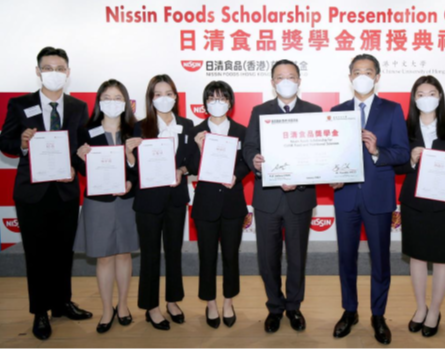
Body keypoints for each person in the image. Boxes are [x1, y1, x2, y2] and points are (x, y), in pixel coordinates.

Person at [0, 46, 92, 340]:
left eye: (60, 68)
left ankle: (62, 303)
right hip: (32, 193)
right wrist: (23, 144)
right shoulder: (19, 103)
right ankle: (40, 311)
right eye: (48, 68)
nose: (55, 73)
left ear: (68, 72)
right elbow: (6, 142)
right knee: (37, 254)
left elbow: (79, 150)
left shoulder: (78, 107)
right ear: (38, 71)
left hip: (65, 190)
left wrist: (84, 162)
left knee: (63, 252)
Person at [329, 54, 410, 345]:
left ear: (377, 77)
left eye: (368, 71)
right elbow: (330, 156)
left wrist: (377, 151)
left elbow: (402, 153)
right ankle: (349, 311)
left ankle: (378, 315)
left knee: (380, 261)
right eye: (357, 71)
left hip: (378, 197)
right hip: (346, 196)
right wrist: (330, 173)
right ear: (350, 76)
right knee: (346, 260)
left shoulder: (392, 109)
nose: (362, 76)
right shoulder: (336, 111)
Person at [242, 59, 321, 333]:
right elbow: (249, 146)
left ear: (299, 80)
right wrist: (256, 161)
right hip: (267, 198)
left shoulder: (314, 111)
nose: (285, 80)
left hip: (299, 197)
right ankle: (275, 307)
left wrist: (299, 177)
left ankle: (294, 307)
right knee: (268, 257)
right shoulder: (259, 110)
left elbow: (317, 154)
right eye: (280, 76)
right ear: (273, 82)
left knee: (297, 257)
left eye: (291, 76)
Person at [395, 75, 445, 338]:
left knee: (441, 258)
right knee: (416, 256)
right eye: (420, 93)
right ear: (414, 99)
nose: (426, 98)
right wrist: (411, 160)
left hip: (444, 201)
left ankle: (435, 310)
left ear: (440, 96)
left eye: (432, 92)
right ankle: (419, 308)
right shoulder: (404, 128)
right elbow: (396, 166)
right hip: (414, 201)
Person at [73, 79, 139, 333]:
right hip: (98, 203)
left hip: (127, 201)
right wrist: (80, 159)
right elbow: (80, 169)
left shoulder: (134, 130)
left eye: (117, 97)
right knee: (104, 258)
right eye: (107, 97)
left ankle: (123, 305)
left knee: (124, 254)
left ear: (125, 102)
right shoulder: (86, 131)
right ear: (99, 101)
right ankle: (106, 309)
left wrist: (130, 178)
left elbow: (140, 170)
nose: (112, 102)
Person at [128, 74, 194, 331]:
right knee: (150, 255)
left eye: (168, 93)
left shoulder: (188, 125)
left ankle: (173, 301)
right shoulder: (140, 127)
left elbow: (193, 160)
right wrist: (129, 156)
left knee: (174, 252)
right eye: (157, 94)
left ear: (175, 97)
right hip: (148, 202)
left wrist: (183, 169)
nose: (163, 98)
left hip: (176, 199)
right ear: (150, 98)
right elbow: (133, 170)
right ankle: (151, 307)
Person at [187, 81, 250, 329]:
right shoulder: (197, 130)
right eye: (212, 98)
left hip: (233, 202)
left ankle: (228, 301)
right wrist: (200, 149)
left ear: (231, 103)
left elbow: (247, 161)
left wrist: (237, 174)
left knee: (231, 256)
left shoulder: (241, 130)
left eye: (222, 98)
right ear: (204, 104)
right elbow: (191, 167)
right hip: (205, 204)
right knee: (207, 256)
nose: (217, 102)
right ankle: (210, 302)